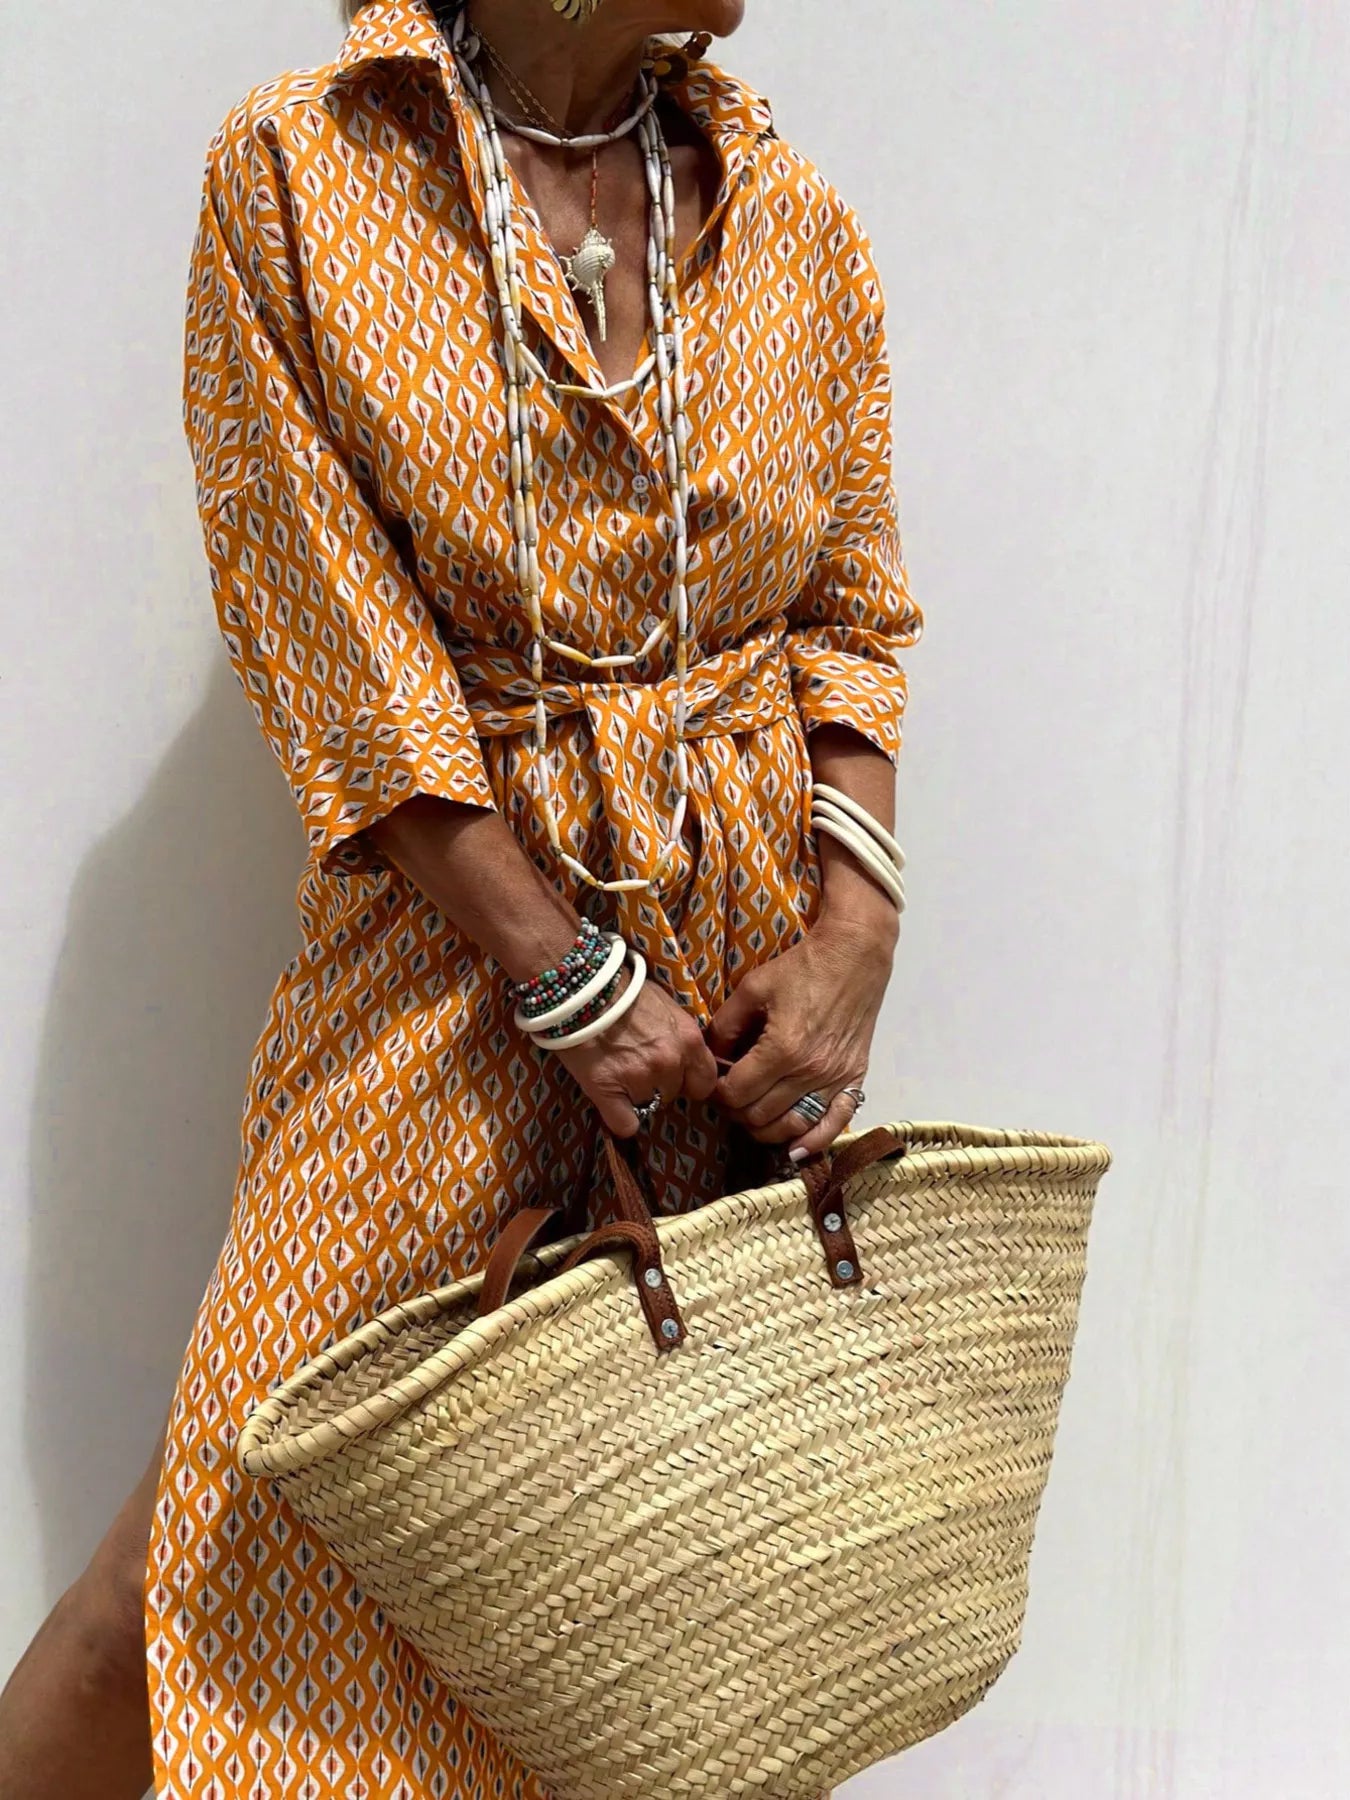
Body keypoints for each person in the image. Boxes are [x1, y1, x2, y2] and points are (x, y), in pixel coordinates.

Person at [0, 0, 923, 1792]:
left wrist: (855, 932)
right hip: (443, 975)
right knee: (199, 1559)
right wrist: (561, 970)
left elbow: (851, 615)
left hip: (735, 992)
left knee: (625, 1587)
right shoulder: (302, 171)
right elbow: (326, 632)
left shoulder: (790, 216)